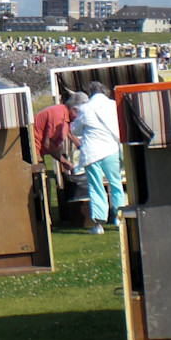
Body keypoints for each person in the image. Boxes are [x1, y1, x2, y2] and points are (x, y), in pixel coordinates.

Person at [70, 81, 126, 234]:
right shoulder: (113, 105)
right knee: (116, 184)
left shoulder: (85, 108)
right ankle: (119, 218)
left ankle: (99, 224)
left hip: (92, 152)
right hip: (110, 149)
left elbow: (76, 129)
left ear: (90, 93)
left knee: (96, 187)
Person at [35, 93, 87, 222]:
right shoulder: (58, 115)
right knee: (42, 184)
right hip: (35, 152)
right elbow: (48, 144)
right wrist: (64, 162)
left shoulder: (65, 115)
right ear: (74, 109)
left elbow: (68, 131)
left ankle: (47, 218)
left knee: (45, 184)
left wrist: (81, 146)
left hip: (40, 151)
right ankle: (44, 220)